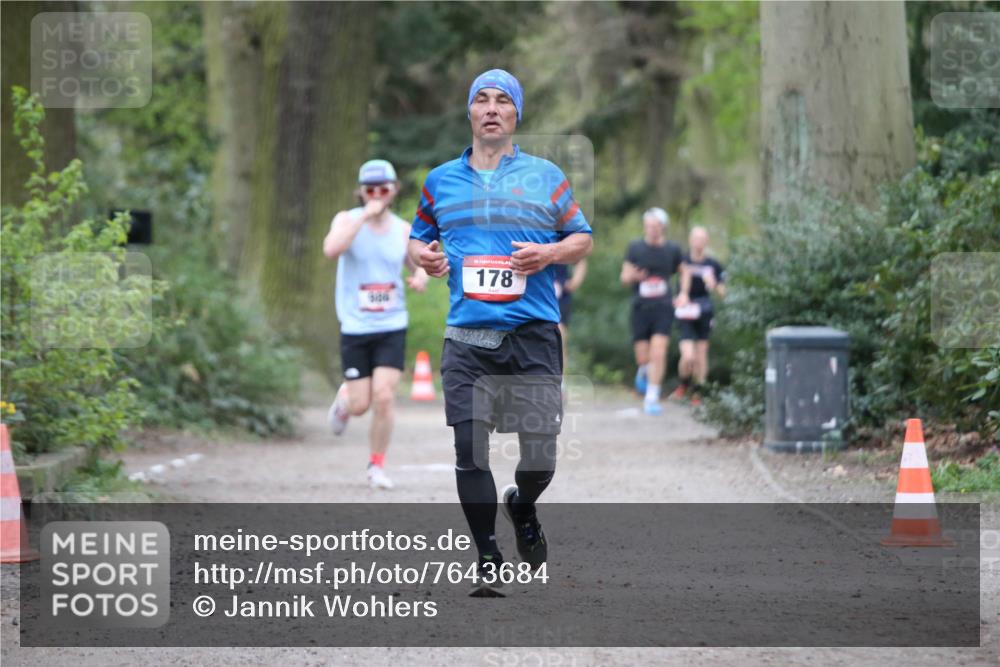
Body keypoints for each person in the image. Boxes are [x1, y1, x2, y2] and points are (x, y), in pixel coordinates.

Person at [408, 69, 592, 597]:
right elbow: (418, 241)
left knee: (540, 457)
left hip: (532, 334)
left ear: (516, 115)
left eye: (502, 101)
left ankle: (523, 505)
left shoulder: (546, 176)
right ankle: (487, 555)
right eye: (481, 100)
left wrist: (549, 253)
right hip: (467, 338)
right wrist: (423, 257)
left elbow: (582, 237)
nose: (491, 108)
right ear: (469, 113)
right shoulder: (440, 181)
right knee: (470, 450)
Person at [324, 159, 428, 490]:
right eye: (371, 190)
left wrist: (421, 276)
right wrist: (365, 217)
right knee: (360, 405)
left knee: (384, 397)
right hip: (355, 325)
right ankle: (345, 400)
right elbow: (331, 249)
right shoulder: (346, 220)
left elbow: (417, 266)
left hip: (391, 324)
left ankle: (376, 465)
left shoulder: (402, 229)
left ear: (394, 190)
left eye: (384, 189)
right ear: (361, 192)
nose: (378, 195)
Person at [620, 207, 684, 416]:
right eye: (648, 226)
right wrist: (634, 277)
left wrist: (683, 293)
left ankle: (652, 396)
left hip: (663, 307)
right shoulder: (635, 248)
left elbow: (686, 272)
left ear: (663, 227)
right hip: (640, 307)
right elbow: (624, 277)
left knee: (659, 351)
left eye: (655, 226)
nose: (651, 230)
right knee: (643, 357)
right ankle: (644, 370)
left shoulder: (672, 249)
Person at [673, 226, 726, 406]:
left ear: (707, 242)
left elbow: (724, 292)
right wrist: (679, 296)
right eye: (696, 238)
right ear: (690, 240)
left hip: (704, 311)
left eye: (702, 239)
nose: (699, 243)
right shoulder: (682, 261)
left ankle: (698, 392)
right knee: (688, 356)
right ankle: (683, 385)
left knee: (701, 354)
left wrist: (714, 284)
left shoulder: (713, 264)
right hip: (686, 311)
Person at [552, 259, 588, 373]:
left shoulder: (561, 240)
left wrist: (574, 282)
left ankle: (560, 381)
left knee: (559, 336)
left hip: (559, 296)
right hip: (533, 293)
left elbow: (581, 260)